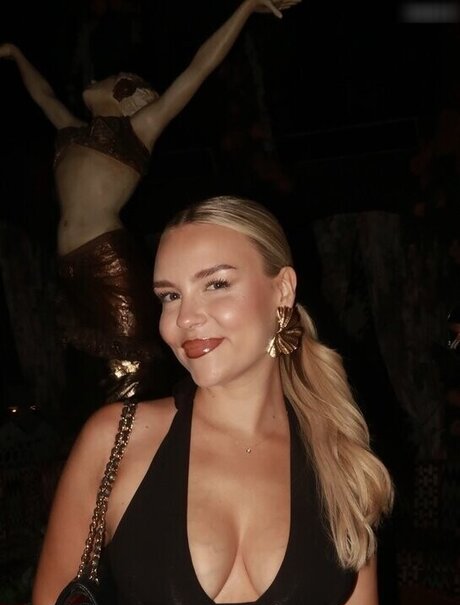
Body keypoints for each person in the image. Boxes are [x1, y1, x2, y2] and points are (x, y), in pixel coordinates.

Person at [32, 195, 422, 605]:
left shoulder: (338, 454)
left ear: (283, 290)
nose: (185, 319)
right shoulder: (119, 441)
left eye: (216, 284)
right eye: (170, 295)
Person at [0, 0, 300, 402]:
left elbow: (198, 69)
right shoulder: (71, 132)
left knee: (131, 361)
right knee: (92, 359)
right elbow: (43, 95)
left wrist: (244, 8)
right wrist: (15, 54)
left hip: (106, 257)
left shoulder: (136, 131)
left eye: (112, 77)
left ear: (126, 93)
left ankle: (139, 428)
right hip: (70, 264)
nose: (98, 78)